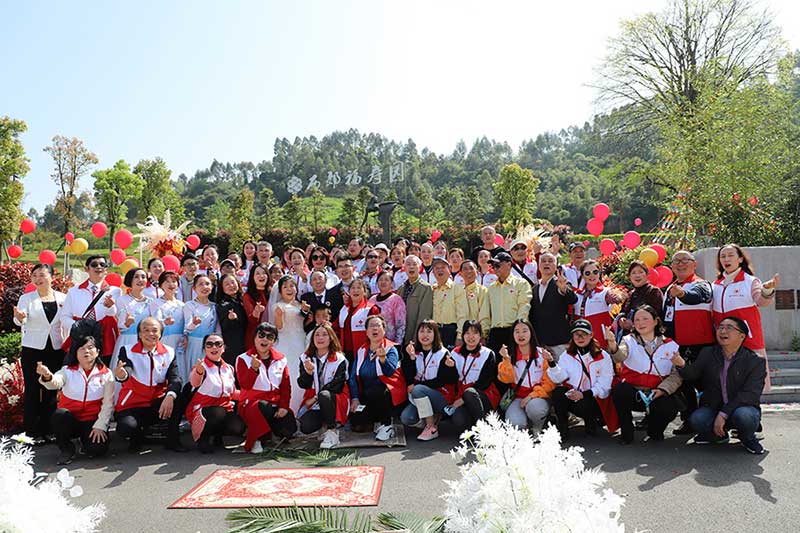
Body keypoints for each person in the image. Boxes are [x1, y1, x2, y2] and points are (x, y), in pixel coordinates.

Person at [673, 316, 767, 454]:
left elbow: (750, 394)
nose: (723, 331)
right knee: (697, 419)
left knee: (745, 416)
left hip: (740, 408)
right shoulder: (708, 353)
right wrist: (681, 364)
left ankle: (747, 437)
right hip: (714, 407)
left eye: (729, 328)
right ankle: (717, 436)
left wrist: (723, 414)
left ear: (742, 336)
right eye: (721, 327)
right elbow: (693, 374)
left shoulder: (755, 361)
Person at [606, 305, 683, 444]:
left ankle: (655, 430)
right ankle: (626, 432)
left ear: (655, 321)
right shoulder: (628, 340)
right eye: (637, 320)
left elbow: (676, 376)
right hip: (634, 392)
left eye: (645, 319)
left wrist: (662, 390)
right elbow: (620, 356)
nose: (640, 323)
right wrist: (612, 344)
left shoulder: (670, 344)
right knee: (620, 391)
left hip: (657, 392)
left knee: (668, 406)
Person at [37, 332, 114, 464]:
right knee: (59, 415)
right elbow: (55, 382)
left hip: (92, 420)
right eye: (82, 348)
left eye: (90, 348)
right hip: (70, 418)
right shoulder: (67, 370)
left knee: (97, 450)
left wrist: (101, 425)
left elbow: (108, 403)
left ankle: (85, 442)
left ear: (97, 352)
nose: (86, 351)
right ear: (75, 353)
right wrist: (48, 376)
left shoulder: (106, 374)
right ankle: (66, 449)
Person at [712, 244, 778, 391]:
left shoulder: (750, 281)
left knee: (750, 387)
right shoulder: (715, 285)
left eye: (730, 255)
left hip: (748, 341)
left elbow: (762, 300)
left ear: (740, 259)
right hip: (723, 343)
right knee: (726, 386)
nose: (726, 259)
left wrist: (767, 290)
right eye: (722, 256)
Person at [14, 263, 67, 445]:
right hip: (32, 350)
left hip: (56, 349)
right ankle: (32, 431)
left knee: (51, 390)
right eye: (34, 275)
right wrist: (19, 318)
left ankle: (50, 430)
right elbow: (20, 318)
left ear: (52, 277)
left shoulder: (63, 298)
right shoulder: (26, 298)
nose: (38, 278)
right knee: (32, 390)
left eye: (42, 274)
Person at [115, 317, 185, 452]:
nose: (150, 334)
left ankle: (173, 440)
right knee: (126, 428)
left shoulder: (169, 352)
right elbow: (126, 371)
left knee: (179, 397)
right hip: (133, 403)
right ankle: (137, 437)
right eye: (145, 330)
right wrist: (121, 374)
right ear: (139, 334)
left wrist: (170, 396)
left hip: (156, 402)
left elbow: (175, 378)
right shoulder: (127, 350)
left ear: (160, 334)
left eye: (154, 330)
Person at [663, 250, 714, 434]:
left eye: (685, 260)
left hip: (702, 348)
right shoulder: (669, 290)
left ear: (694, 264)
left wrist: (682, 293)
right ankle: (690, 421)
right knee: (684, 386)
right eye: (676, 261)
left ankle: (710, 423)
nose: (680, 263)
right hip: (678, 348)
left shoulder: (702, 284)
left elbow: (698, 297)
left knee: (704, 386)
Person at [548, 319, 618, 442]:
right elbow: (559, 378)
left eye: (584, 334)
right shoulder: (567, 355)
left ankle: (591, 423)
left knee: (585, 402)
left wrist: (584, 394)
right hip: (574, 395)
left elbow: (605, 387)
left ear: (591, 335)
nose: (580, 338)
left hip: (595, 400)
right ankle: (563, 429)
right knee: (558, 392)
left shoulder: (603, 356)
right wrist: (551, 363)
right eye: (577, 334)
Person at [236, 323, 297, 453]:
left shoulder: (281, 359)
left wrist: (284, 406)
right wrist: (253, 368)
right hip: (252, 403)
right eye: (261, 335)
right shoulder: (243, 358)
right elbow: (244, 385)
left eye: (270, 337)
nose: (265, 339)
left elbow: (286, 386)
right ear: (255, 338)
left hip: (274, 402)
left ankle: (271, 433)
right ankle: (257, 438)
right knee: (262, 407)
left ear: (274, 341)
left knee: (289, 427)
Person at [348, 315, 406, 441]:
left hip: (388, 394)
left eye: (378, 325)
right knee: (357, 423)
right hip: (367, 395)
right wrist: (355, 398)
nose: (375, 329)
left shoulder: (391, 348)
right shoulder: (362, 350)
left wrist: (383, 359)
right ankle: (376, 421)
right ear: (367, 332)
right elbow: (352, 377)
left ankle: (387, 424)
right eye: (371, 326)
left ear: (384, 330)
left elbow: (390, 372)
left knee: (377, 391)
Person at [184, 333, 244, 453]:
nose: (214, 347)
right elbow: (194, 383)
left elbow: (232, 393)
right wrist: (199, 372)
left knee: (238, 427)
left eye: (218, 344)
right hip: (201, 411)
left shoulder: (229, 368)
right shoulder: (200, 367)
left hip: (222, 408)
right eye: (209, 344)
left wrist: (253, 395)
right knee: (218, 412)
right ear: (204, 349)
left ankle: (218, 437)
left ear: (223, 348)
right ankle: (203, 439)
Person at [400, 320, 458, 441]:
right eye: (421, 331)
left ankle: (431, 427)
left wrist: (450, 368)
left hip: (441, 396)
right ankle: (432, 417)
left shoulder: (443, 353)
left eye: (429, 331)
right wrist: (410, 358)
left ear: (435, 334)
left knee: (418, 389)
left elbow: (445, 380)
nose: (425, 335)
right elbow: (408, 375)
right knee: (407, 418)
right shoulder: (413, 351)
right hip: (420, 395)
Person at [497, 319, 555, 434]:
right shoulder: (510, 355)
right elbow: (506, 379)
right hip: (518, 397)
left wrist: (531, 396)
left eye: (524, 331)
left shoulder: (542, 354)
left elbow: (550, 384)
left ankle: (538, 427)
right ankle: (526, 426)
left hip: (539, 397)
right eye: (517, 331)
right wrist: (506, 360)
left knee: (535, 408)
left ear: (531, 333)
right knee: (515, 423)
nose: (521, 335)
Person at [297, 324, 350, 449]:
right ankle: (323, 427)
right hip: (316, 401)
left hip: (334, 398)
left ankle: (332, 431)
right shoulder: (305, 357)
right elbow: (303, 384)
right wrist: (308, 373)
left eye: (324, 334)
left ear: (331, 338)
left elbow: (337, 386)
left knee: (324, 395)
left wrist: (316, 398)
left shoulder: (339, 359)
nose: (320, 338)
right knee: (306, 426)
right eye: (317, 335)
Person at [60, 254, 119, 363]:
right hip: (81, 337)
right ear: (87, 268)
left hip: (105, 337)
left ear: (106, 269)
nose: (98, 267)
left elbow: (116, 316)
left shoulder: (115, 291)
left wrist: (110, 307)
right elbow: (64, 316)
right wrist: (76, 326)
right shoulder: (74, 291)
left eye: (102, 264)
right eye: (94, 264)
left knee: (104, 371)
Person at [447, 320, 500, 431]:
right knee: (458, 420)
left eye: (475, 333)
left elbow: (485, 382)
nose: (471, 337)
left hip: (483, 394)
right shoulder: (454, 353)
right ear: (463, 335)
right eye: (467, 333)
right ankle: (473, 424)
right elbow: (451, 380)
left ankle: (482, 430)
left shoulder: (488, 354)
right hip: (461, 394)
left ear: (480, 335)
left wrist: (463, 399)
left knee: (470, 393)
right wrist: (450, 369)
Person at [480, 252, 532, 354]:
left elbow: (524, 306)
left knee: (515, 365)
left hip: (513, 330)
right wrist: (484, 334)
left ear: (509, 264)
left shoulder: (521, 284)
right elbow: (486, 313)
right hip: (495, 333)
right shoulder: (491, 288)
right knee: (496, 367)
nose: (495, 268)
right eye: (493, 266)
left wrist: (519, 330)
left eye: (498, 265)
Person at [529, 253, 576, 358]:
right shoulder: (534, 288)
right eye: (543, 261)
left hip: (559, 341)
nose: (546, 263)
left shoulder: (561, 284)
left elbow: (572, 299)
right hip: (540, 343)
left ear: (556, 265)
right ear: (538, 265)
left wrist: (563, 289)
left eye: (550, 261)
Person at [272, 275, 307, 413]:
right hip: (286, 342)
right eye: (285, 287)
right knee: (290, 373)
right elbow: (279, 328)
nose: (289, 289)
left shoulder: (300, 305)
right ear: (280, 291)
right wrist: (279, 317)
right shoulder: (278, 306)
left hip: (301, 340)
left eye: (292, 286)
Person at [572, 260, 622, 349]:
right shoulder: (577, 294)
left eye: (595, 272)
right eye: (587, 273)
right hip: (581, 341)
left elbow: (614, 298)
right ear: (583, 276)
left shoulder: (605, 292)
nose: (592, 275)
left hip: (601, 340)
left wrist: (618, 297)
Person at [182, 274, 219, 385]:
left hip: (210, 345)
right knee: (193, 372)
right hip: (194, 344)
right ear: (194, 288)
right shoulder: (189, 305)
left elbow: (217, 329)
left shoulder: (214, 306)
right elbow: (187, 327)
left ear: (212, 287)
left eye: (207, 284)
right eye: (201, 284)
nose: (204, 287)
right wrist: (194, 323)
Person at [112, 267, 152, 364]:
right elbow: (120, 325)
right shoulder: (122, 300)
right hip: (128, 340)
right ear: (130, 280)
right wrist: (127, 323)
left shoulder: (151, 301)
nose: (140, 280)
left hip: (146, 341)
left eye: (143, 277)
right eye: (136, 277)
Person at [337, 278, 381, 361]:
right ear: (349, 292)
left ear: (365, 292)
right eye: (353, 288)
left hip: (365, 351)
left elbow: (377, 331)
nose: (355, 290)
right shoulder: (344, 309)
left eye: (359, 288)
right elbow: (336, 326)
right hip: (345, 351)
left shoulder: (371, 308)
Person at [617, 260, 664, 335]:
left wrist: (633, 325)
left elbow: (656, 315)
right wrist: (621, 320)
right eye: (633, 273)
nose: (637, 275)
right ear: (630, 277)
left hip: (648, 336)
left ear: (647, 275)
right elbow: (623, 312)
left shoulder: (653, 291)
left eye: (640, 272)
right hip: (631, 338)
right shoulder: (630, 294)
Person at [431, 256, 468, 349]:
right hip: (435, 331)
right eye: (437, 268)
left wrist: (460, 336)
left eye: (443, 267)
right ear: (433, 272)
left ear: (450, 269)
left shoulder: (457, 289)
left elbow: (462, 314)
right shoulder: (432, 290)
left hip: (451, 331)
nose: (440, 270)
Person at [151, 271, 186, 362]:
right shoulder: (156, 303)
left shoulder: (182, 305)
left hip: (180, 342)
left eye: (174, 281)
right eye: (167, 282)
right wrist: (164, 322)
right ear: (161, 285)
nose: (171, 284)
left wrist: (186, 336)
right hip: (164, 340)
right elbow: (155, 323)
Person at [400, 255, 433, 347]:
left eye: (414, 264)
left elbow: (424, 315)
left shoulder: (425, 288)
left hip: (414, 338)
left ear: (420, 267)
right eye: (408, 264)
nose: (411, 267)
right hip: (401, 336)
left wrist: (416, 339)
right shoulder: (402, 288)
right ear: (404, 268)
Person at [215, 273, 248, 365]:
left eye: (233, 282)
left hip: (247, 341)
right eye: (227, 284)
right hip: (232, 345)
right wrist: (229, 319)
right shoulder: (223, 305)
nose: (231, 286)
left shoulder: (243, 300)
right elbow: (223, 326)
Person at [367, 271, 406, 344]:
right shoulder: (372, 299)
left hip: (390, 342)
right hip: (373, 342)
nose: (383, 282)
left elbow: (401, 325)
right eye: (380, 280)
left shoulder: (396, 300)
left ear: (391, 283)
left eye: (386, 280)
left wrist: (397, 343)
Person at [243, 263, 270, 346]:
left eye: (264, 273)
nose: (261, 276)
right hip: (256, 336)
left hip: (271, 335)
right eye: (257, 273)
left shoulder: (272, 292)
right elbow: (252, 320)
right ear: (252, 277)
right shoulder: (248, 296)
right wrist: (256, 311)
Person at [460, 260, 490, 332]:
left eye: (471, 268)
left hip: (477, 333)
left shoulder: (483, 290)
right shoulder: (459, 292)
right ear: (460, 273)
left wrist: (483, 333)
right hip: (462, 334)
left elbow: (485, 315)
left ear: (477, 272)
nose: (469, 271)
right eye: (465, 269)